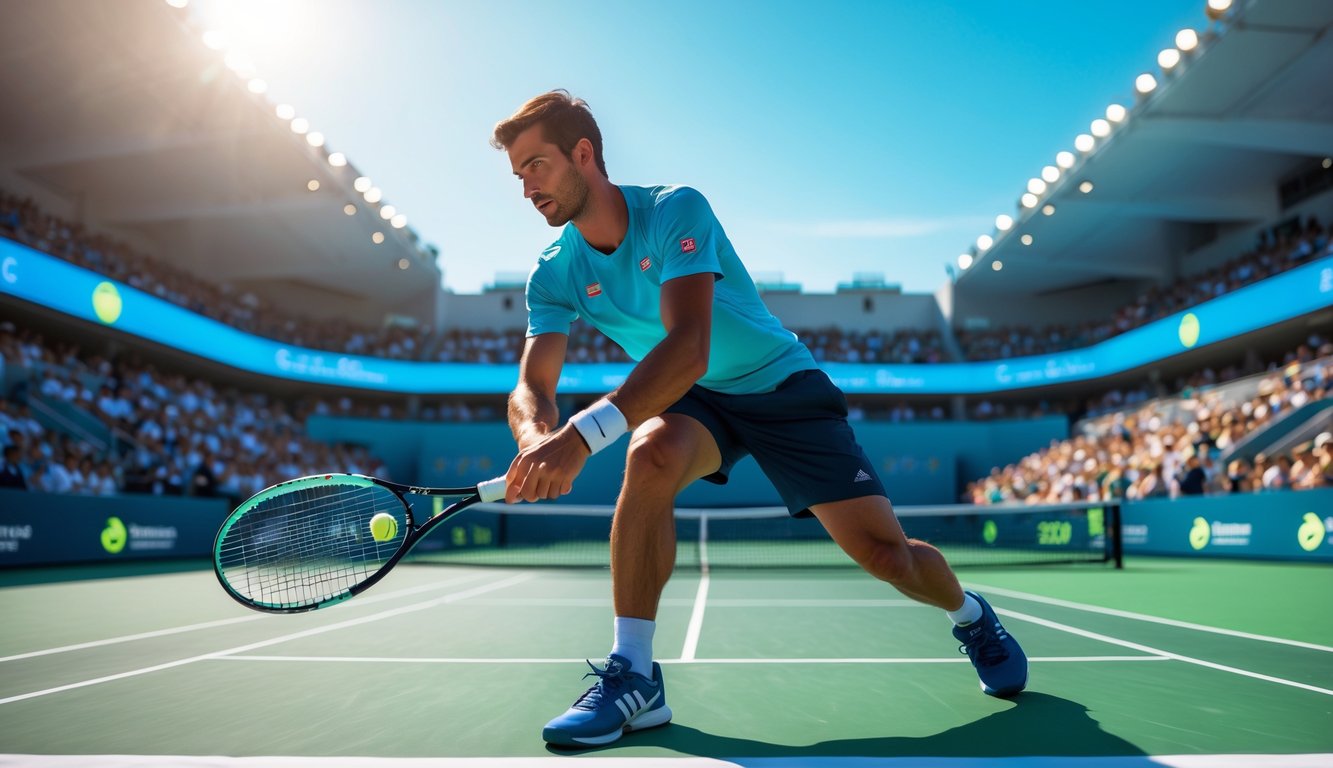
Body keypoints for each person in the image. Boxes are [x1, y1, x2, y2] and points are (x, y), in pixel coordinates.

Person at [491, 90, 1027, 748]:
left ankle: (970, 617)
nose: (526, 188)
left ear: (583, 154)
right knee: (649, 457)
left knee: (885, 557)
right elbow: (531, 385)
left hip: (780, 388)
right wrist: (535, 440)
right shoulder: (552, 274)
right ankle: (634, 674)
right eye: (517, 175)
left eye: (536, 166)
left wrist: (578, 440)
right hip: (695, 402)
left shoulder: (673, 209)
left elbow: (689, 346)